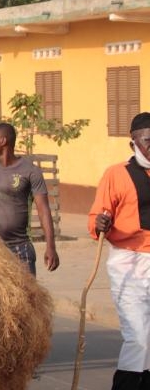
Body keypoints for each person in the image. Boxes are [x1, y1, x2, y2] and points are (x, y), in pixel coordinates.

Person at [90, 112, 150, 389]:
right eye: (147, 141)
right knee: (137, 335)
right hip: (128, 261)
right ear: (133, 143)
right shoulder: (117, 174)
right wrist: (100, 223)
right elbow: (96, 217)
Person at [0, 123, 59, 275]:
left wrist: (51, 246)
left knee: (29, 297)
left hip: (21, 248)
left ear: (2, 141)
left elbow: (43, 211)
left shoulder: (30, 171)